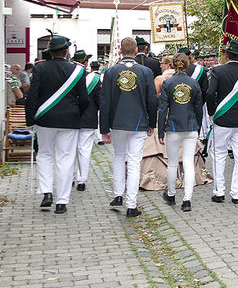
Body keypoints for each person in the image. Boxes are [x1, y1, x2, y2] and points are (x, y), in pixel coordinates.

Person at [24, 34, 89, 214]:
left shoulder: (39, 69)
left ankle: (47, 193)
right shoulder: (78, 70)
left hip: (45, 119)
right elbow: (84, 100)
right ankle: (62, 201)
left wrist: (30, 120)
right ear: (66, 51)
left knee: (44, 155)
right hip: (70, 120)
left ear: (50, 52)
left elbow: (32, 97)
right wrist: (77, 115)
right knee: (66, 159)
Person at [99, 37, 157, 217]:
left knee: (118, 156)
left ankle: (118, 195)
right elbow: (152, 100)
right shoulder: (146, 72)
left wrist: (104, 128)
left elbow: (105, 101)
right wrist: (152, 123)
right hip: (139, 121)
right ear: (137, 50)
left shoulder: (111, 71)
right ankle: (131, 204)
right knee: (134, 162)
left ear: (120, 51)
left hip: (117, 121)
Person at [205, 39, 238, 204]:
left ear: (226, 54)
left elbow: (210, 94)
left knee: (219, 156)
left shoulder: (218, 71)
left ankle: (219, 192)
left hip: (223, 119)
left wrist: (212, 113)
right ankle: (237, 194)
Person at [157, 53, 203, 212]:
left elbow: (163, 109)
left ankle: (171, 194)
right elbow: (198, 108)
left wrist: (160, 130)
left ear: (173, 65)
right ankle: (187, 200)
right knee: (189, 164)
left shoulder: (168, 83)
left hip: (173, 127)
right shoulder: (194, 83)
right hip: (190, 126)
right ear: (187, 64)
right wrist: (198, 126)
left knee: (172, 163)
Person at [73, 50, 100, 192]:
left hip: (70, 118)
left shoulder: (68, 76)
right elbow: (98, 100)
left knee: (70, 149)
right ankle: (81, 180)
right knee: (84, 150)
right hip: (88, 118)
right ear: (85, 63)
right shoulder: (94, 79)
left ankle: (70, 177)